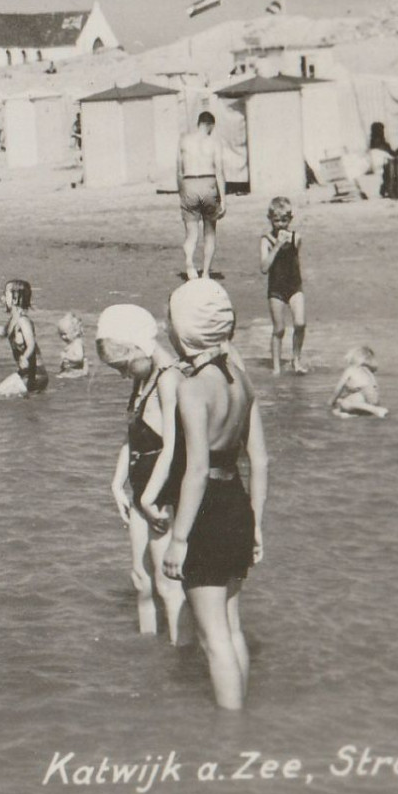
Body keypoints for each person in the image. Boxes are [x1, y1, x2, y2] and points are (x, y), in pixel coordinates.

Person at [158, 279, 268, 710]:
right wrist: (256, 522)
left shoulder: (192, 388)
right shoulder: (242, 381)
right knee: (232, 627)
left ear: (184, 331)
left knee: (212, 637)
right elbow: (259, 461)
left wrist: (179, 540)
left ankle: (228, 737)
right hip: (238, 505)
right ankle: (242, 720)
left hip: (204, 515)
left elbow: (197, 470)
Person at [96, 303, 187, 642]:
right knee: (141, 579)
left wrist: (150, 501)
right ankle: (149, 655)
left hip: (161, 495)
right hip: (141, 492)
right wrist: (116, 483)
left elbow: (176, 448)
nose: (122, 374)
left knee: (168, 583)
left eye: (122, 366)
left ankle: (179, 655)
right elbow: (133, 434)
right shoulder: (144, 379)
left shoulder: (169, 380)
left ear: (139, 347)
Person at [176, 110, 228, 280]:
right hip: (208, 183)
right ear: (211, 125)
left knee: (191, 233)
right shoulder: (214, 142)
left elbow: (179, 171)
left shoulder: (184, 140)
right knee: (210, 232)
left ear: (198, 123)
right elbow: (219, 170)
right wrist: (224, 200)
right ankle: (205, 273)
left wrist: (181, 192)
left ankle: (190, 263)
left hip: (189, 182)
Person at [258, 197, 307, 374]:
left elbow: (293, 261)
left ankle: (296, 360)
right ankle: (277, 368)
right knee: (279, 329)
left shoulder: (296, 238)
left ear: (290, 220)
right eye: (276, 220)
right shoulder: (266, 240)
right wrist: (277, 245)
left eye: (284, 220)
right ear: (270, 219)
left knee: (300, 323)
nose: (280, 224)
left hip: (294, 286)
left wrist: (287, 243)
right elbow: (264, 268)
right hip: (276, 289)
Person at [330, 346, 388, 418]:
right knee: (339, 404)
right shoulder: (369, 372)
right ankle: (366, 412)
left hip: (363, 396)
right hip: (374, 400)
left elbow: (337, 390)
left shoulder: (350, 370)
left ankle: (375, 410)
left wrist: (330, 402)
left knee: (344, 403)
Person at [56, 312, 88, 377]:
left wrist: (66, 357)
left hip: (77, 372)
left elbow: (79, 358)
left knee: (62, 377)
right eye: (61, 334)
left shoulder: (77, 344)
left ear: (75, 332)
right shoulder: (71, 344)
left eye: (65, 334)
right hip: (71, 370)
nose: (63, 337)